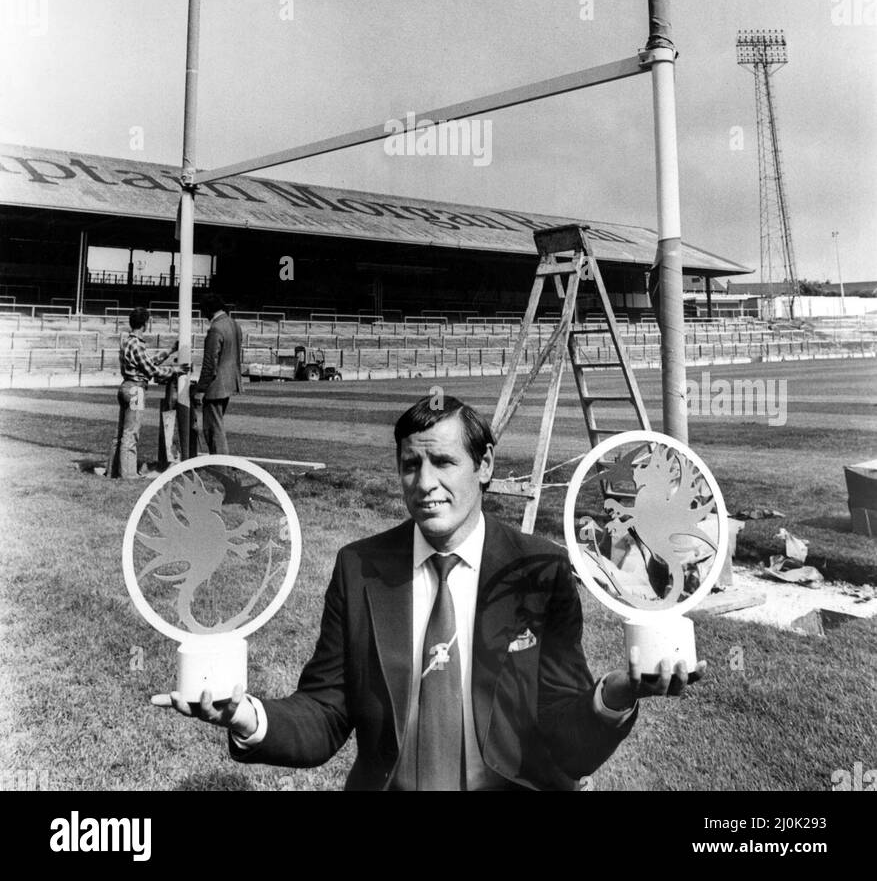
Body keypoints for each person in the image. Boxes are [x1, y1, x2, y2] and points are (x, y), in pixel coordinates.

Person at [153, 393, 704, 791]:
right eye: (410, 465)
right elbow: (326, 714)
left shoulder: (542, 570)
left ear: (484, 466)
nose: (424, 484)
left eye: (443, 462)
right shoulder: (359, 567)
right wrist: (247, 717)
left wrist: (615, 694)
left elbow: (566, 738)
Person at [108, 308, 177, 479]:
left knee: (120, 434)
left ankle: (113, 471)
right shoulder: (136, 344)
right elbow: (151, 370)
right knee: (131, 434)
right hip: (136, 390)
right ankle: (128, 474)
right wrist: (175, 370)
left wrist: (169, 352)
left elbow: (148, 363)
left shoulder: (126, 342)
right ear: (145, 323)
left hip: (126, 386)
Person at [191, 293, 243, 455]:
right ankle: (221, 463)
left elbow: (209, 363)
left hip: (216, 385)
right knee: (217, 425)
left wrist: (200, 389)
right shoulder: (234, 324)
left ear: (208, 310)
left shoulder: (216, 329)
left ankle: (221, 465)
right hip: (230, 381)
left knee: (213, 429)